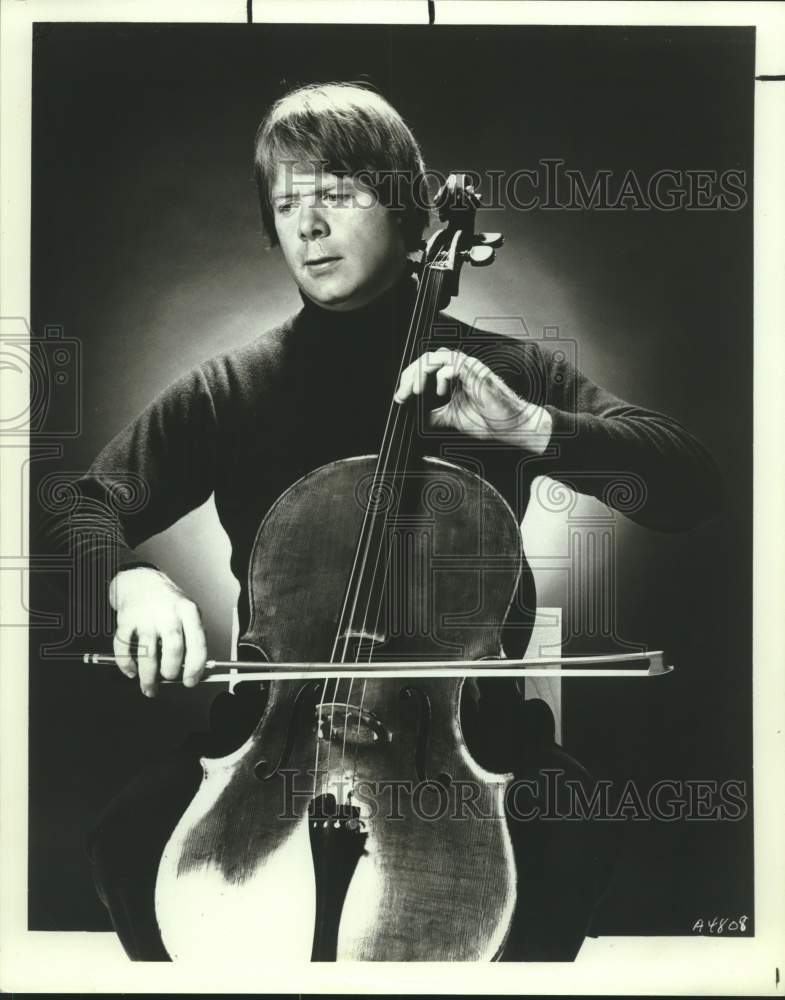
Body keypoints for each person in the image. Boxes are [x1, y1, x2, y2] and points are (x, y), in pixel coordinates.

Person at [65, 82, 722, 961]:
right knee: (129, 842)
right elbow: (78, 503)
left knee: (572, 840)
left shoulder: (498, 373)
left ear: (409, 212)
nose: (308, 225)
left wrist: (529, 426)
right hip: (273, 737)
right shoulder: (231, 390)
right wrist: (128, 576)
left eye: (336, 195)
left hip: (463, 739)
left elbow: (690, 484)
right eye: (287, 202)